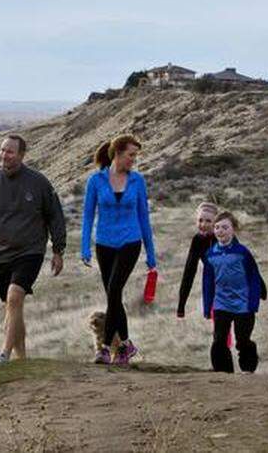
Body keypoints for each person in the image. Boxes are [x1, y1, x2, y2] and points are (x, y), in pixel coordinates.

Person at [0, 134, 66, 364]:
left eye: (10, 151)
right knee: (13, 308)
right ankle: (22, 360)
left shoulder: (38, 182)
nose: (4, 155)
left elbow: (55, 216)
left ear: (21, 155)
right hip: (1, 254)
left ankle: (4, 354)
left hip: (30, 251)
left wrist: (58, 250)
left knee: (14, 297)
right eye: (2, 150)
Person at [79, 134, 157, 366]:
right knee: (114, 296)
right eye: (130, 155)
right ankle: (124, 346)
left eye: (135, 155)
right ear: (117, 153)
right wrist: (85, 247)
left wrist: (151, 253)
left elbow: (144, 217)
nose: (134, 159)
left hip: (130, 242)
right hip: (104, 243)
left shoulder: (137, 181)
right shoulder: (96, 181)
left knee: (114, 290)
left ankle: (103, 348)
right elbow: (87, 215)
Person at [202, 211, 266, 373]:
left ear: (233, 230)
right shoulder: (210, 254)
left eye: (224, 227)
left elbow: (254, 276)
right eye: (216, 227)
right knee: (219, 340)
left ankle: (248, 369)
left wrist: (254, 302)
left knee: (242, 340)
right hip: (221, 303)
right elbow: (207, 282)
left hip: (243, 304)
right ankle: (224, 373)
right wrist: (207, 307)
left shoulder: (242, 252)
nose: (220, 231)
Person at [176, 201, 219, 318]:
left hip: (229, 284)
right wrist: (181, 303)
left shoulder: (225, 236)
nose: (203, 224)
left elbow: (245, 260)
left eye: (208, 221)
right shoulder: (198, 240)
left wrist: (259, 285)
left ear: (216, 223)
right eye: (200, 220)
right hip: (210, 284)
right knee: (219, 324)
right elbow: (189, 271)